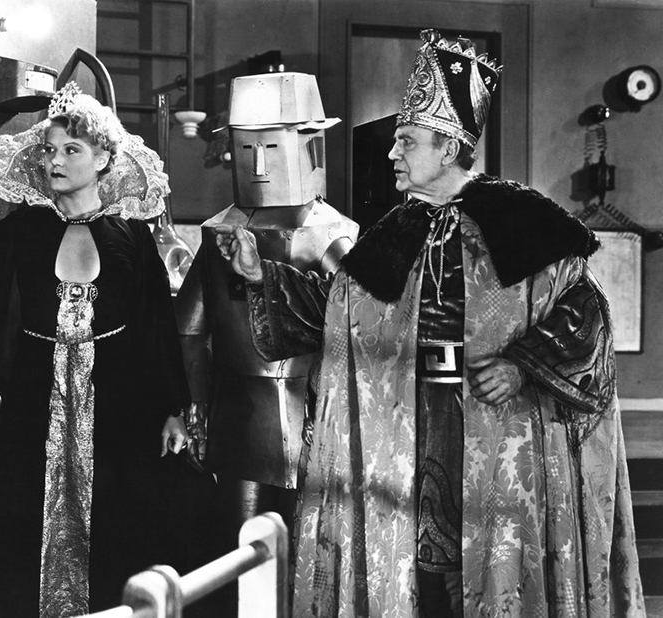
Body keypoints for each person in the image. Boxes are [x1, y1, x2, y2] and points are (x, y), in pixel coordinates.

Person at [217, 30, 646, 617]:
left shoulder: (526, 220)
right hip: (411, 434)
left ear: (448, 149)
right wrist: (262, 276)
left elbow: (587, 315)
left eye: (407, 141)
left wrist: (523, 365)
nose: (393, 154)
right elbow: (339, 312)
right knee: (422, 582)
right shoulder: (394, 231)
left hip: (499, 437)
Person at [0, 82, 190, 618]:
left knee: (115, 528)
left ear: (103, 158)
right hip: (35, 406)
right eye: (49, 149)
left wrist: (174, 407)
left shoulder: (132, 237)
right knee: (24, 526)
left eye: (70, 149)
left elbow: (157, 327)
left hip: (118, 411)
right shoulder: (24, 229)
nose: (54, 160)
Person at [174, 73, 357, 550]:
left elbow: (356, 321)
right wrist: (198, 405)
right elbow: (189, 327)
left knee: (310, 554)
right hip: (235, 416)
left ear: (308, 146)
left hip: (315, 416)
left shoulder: (331, 231)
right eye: (247, 148)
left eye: (271, 148)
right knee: (240, 555)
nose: (257, 164)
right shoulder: (219, 229)